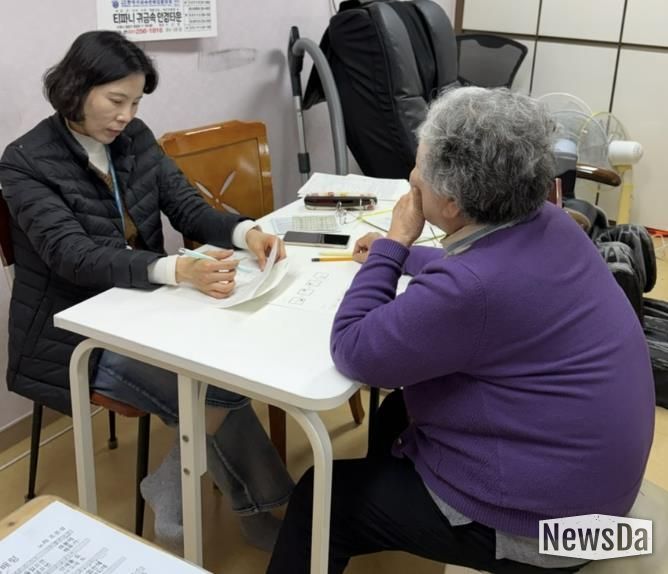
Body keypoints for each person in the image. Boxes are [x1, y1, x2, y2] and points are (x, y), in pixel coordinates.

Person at [267, 87, 656, 573]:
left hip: (554, 534)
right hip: (598, 495)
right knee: (395, 412)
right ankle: (396, 496)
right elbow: (485, 266)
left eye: (419, 167)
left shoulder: (472, 289)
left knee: (320, 499)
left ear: (451, 203)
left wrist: (396, 242)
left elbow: (354, 349)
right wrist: (404, 258)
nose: (412, 177)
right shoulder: (552, 222)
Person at [0, 31, 293, 551]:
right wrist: (178, 269)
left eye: (135, 103)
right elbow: (73, 255)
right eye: (116, 101)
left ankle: (171, 481)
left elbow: (187, 207)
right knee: (218, 389)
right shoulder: (26, 161)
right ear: (75, 88)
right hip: (71, 332)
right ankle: (263, 510)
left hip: (143, 303)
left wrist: (246, 232)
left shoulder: (133, 138)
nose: (126, 116)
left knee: (232, 366)